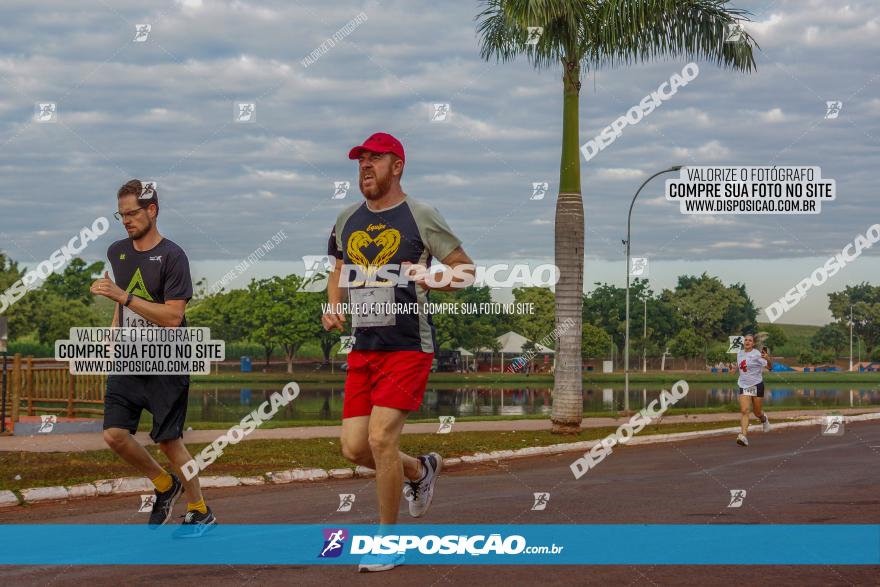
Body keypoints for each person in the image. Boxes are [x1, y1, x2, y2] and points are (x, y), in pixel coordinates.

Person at [322, 132, 474, 572]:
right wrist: (333, 307)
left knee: (380, 438)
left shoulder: (420, 215)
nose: (365, 167)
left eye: (375, 159)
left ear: (398, 166)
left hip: (408, 346)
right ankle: (419, 471)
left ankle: (387, 543)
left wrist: (434, 278)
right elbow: (338, 270)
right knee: (353, 448)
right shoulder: (346, 218)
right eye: (360, 161)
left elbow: (466, 270)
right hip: (364, 348)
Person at [90, 179, 215, 536]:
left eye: (132, 213)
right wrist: (114, 334)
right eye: (121, 214)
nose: (126, 220)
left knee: (168, 441)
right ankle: (163, 484)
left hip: (167, 360)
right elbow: (122, 303)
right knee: (114, 434)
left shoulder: (173, 256)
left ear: (152, 210)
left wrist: (122, 297)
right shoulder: (118, 252)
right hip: (129, 357)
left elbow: (174, 318)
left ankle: (199, 509)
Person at [733, 334, 772, 446]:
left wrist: (768, 359)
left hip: (756, 385)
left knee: (757, 412)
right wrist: (734, 369)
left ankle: (763, 418)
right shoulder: (739, 353)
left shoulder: (757, 354)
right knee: (745, 410)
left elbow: (769, 367)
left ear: (753, 343)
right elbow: (740, 367)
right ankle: (743, 436)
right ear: (743, 342)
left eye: (750, 340)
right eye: (746, 340)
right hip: (744, 385)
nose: (747, 342)